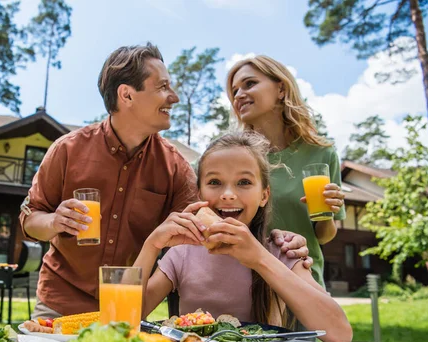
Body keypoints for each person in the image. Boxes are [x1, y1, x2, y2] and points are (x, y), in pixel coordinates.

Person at [20, 43, 310, 318]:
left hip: (130, 307)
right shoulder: (67, 150)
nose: (174, 96)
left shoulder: (174, 166)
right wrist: (55, 222)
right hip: (60, 302)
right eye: (163, 87)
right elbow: (31, 217)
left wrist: (280, 242)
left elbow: (211, 220)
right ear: (127, 95)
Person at [135, 132, 352, 342]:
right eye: (214, 182)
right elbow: (123, 319)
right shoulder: (182, 254)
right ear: (199, 195)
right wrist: (151, 246)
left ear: (264, 195)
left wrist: (259, 258)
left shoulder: (281, 251)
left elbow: (339, 333)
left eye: (244, 182)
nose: (228, 194)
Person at [225, 55, 346, 287]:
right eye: (234, 91)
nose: (239, 95)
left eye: (249, 84)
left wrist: (328, 212)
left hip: (303, 281)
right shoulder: (234, 156)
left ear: (281, 89)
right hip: (244, 285)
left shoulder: (321, 154)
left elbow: (323, 235)